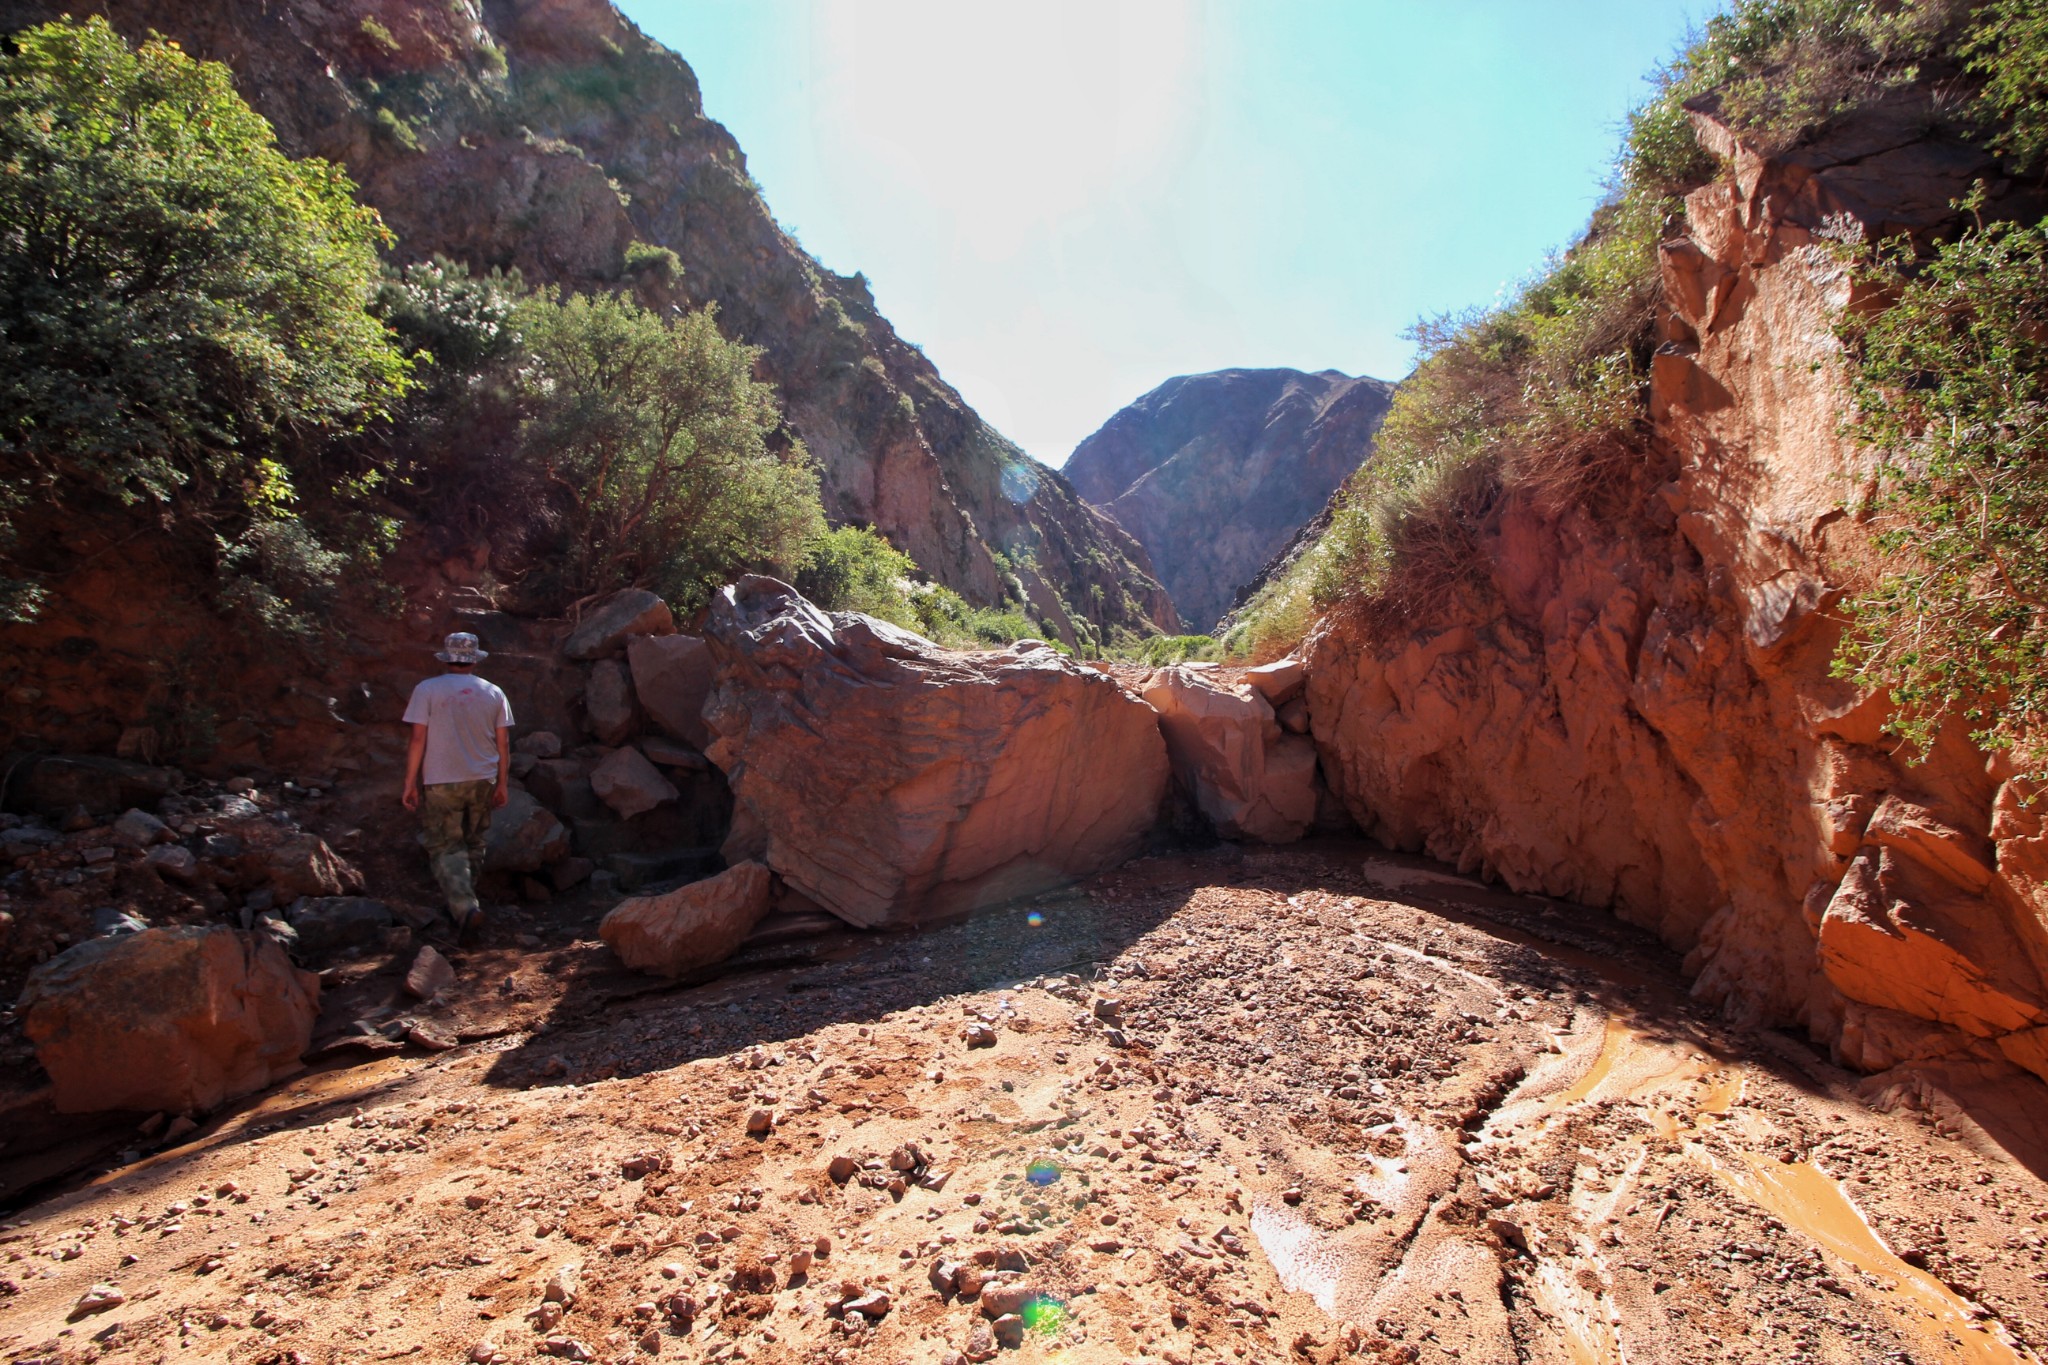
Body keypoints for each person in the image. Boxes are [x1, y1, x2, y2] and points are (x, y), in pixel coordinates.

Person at [400, 632, 513, 941]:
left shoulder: (427, 690)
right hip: (483, 778)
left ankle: (463, 908)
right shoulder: (493, 693)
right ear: (475, 659)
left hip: (441, 779)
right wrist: (502, 782)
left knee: (446, 845)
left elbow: (418, 739)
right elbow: (503, 744)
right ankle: (465, 906)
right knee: (474, 842)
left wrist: (410, 782)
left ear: (446, 657)